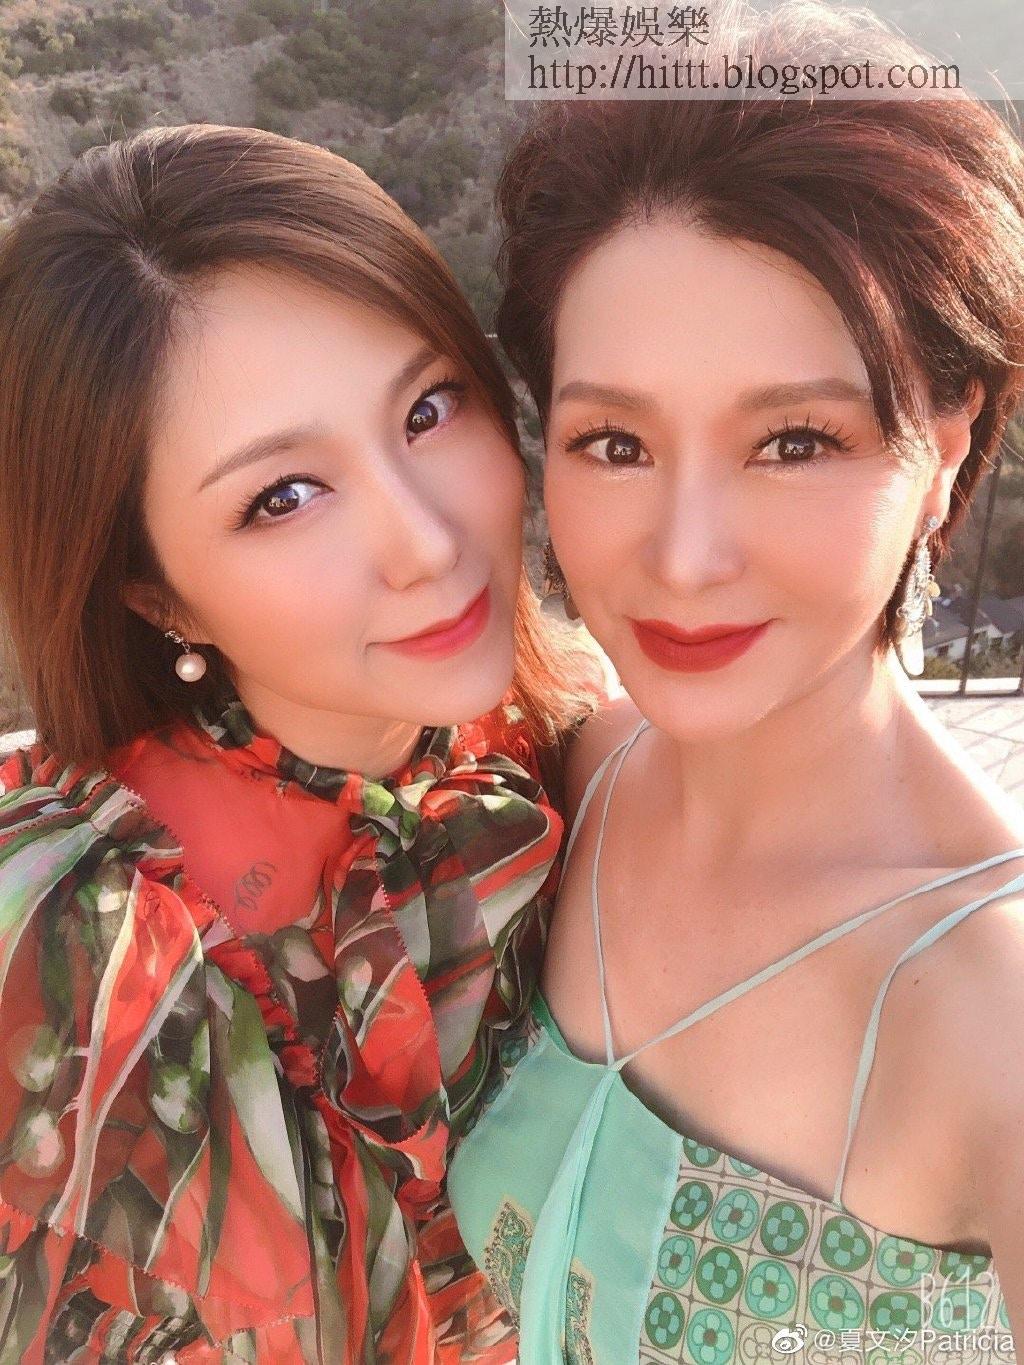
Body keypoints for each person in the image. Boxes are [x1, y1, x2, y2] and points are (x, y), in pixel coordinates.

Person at [447, 4, 1024, 1360]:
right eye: (615, 442)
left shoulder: (989, 1007)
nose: (684, 557)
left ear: (947, 442)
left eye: (794, 441)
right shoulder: (570, 777)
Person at [0, 123, 599, 1364]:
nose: (427, 542)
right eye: (282, 497)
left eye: (428, 408)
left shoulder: (554, 752)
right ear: (153, 594)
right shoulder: (69, 957)